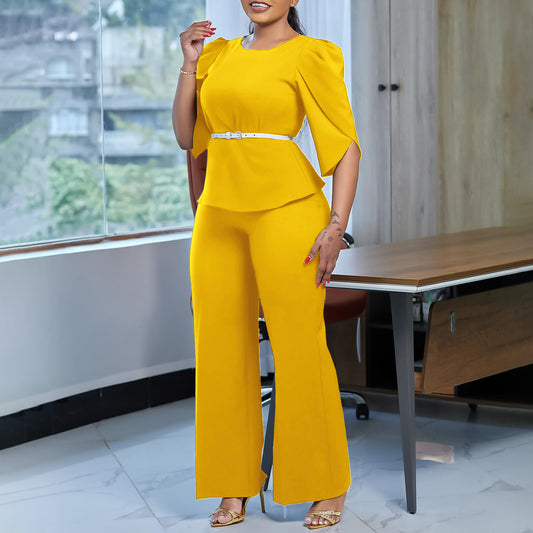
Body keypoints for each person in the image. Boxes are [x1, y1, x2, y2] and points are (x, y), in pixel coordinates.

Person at [172, 0, 361, 528]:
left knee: (299, 347)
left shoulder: (312, 54)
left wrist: (335, 226)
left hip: (288, 210)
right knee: (219, 350)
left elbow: (345, 146)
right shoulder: (216, 55)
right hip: (218, 216)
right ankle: (233, 484)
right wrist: (188, 62)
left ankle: (326, 486)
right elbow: (188, 138)